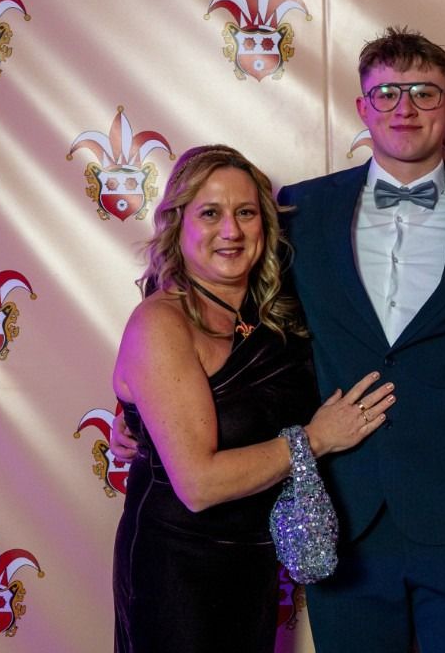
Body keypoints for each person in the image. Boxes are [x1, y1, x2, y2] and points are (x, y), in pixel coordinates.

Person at [276, 27, 445, 652]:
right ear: (362, 107)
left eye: (424, 92)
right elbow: (258, 335)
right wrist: (139, 414)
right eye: (387, 93)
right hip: (344, 509)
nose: (405, 108)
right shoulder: (300, 212)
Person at [111, 145, 396, 653]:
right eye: (210, 213)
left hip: (253, 566)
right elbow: (198, 484)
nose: (231, 230)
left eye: (245, 212)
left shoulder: (277, 312)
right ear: (178, 224)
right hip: (178, 570)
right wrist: (315, 440)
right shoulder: (161, 321)